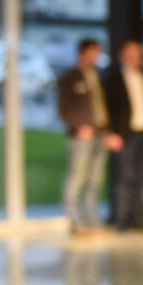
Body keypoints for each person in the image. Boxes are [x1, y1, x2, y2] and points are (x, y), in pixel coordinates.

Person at [102, 39, 143, 232]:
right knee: (125, 177)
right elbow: (107, 108)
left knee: (141, 178)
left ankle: (139, 218)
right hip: (124, 135)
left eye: (140, 55)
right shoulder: (114, 80)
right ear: (123, 57)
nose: (137, 59)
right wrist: (111, 132)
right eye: (133, 55)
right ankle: (122, 218)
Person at [56, 37, 111, 236]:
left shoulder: (97, 76)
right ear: (83, 52)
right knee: (77, 177)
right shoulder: (70, 77)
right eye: (94, 51)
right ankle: (75, 221)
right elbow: (64, 108)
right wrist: (79, 126)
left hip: (100, 133)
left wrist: (107, 130)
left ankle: (92, 220)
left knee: (95, 180)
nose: (97, 56)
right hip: (82, 135)